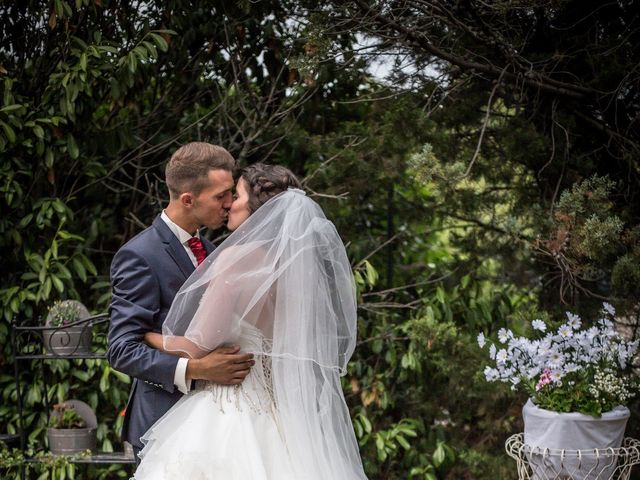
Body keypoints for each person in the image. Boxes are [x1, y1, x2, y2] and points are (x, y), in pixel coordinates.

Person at [133, 163, 368, 479]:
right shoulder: (291, 267)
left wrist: (146, 335)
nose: (229, 203)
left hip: (232, 409)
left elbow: (194, 347)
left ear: (259, 209)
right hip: (278, 412)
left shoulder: (235, 261)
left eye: (237, 194)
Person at [107, 142, 255, 463]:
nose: (230, 203)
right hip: (162, 420)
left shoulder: (215, 250)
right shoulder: (140, 256)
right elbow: (121, 349)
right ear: (188, 199)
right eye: (221, 196)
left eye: (231, 193)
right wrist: (196, 369)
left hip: (218, 419)